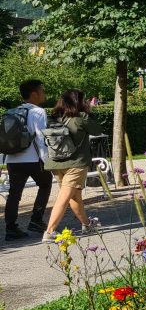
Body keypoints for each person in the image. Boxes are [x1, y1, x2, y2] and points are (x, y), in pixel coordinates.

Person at [41, 89, 103, 242]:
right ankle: (50, 231)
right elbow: (98, 130)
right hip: (76, 164)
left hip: (56, 163)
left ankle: (87, 225)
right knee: (64, 197)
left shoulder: (54, 118)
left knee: (74, 196)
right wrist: (89, 112)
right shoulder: (81, 118)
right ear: (79, 102)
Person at [4, 79, 52, 241]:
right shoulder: (38, 112)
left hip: (12, 159)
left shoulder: (11, 111)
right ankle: (36, 220)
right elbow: (40, 138)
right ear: (34, 94)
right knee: (45, 184)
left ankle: (11, 228)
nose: (44, 94)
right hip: (32, 159)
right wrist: (47, 161)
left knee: (14, 193)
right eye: (42, 91)